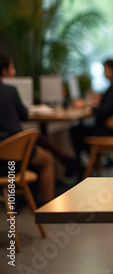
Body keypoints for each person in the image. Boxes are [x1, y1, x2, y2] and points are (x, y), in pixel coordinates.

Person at [0, 51, 55, 205]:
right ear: (4, 71)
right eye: (12, 67)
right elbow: (24, 115)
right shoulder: (10, 91)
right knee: (47, 159)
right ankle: (46, 206)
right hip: (11, 158)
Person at [71, 59, 113, 164]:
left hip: (112, 131)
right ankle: (95, 161)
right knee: (80, 129)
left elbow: (105, 110)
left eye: (105, 69)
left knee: (76, 131)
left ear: (111, 70)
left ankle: (83, 164)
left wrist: (89, 108)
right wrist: (99, 100)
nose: (103, 73)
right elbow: (110, 105)